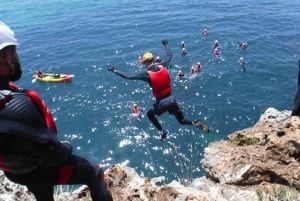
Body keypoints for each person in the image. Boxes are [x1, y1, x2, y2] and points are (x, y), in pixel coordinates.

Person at [0, 21, 113, 201]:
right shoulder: (18, 106)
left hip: (12, 171)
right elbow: (55, 155)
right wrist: (67, 146)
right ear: (7, 57)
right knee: (95, 172)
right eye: (15, 51)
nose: (17, 56)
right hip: (33, 168)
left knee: (42, 190)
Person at [108, 39, 210, 140]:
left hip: (162, 103)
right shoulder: (162, 66)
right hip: (172, 100)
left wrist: (115, 70)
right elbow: (169, 56)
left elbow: (128, 76)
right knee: (182, 120)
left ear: (144, 63)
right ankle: (195, 123)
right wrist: (166, 44)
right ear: (153, 60)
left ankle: (162, 131)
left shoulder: (147, 75)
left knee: (149, 114)